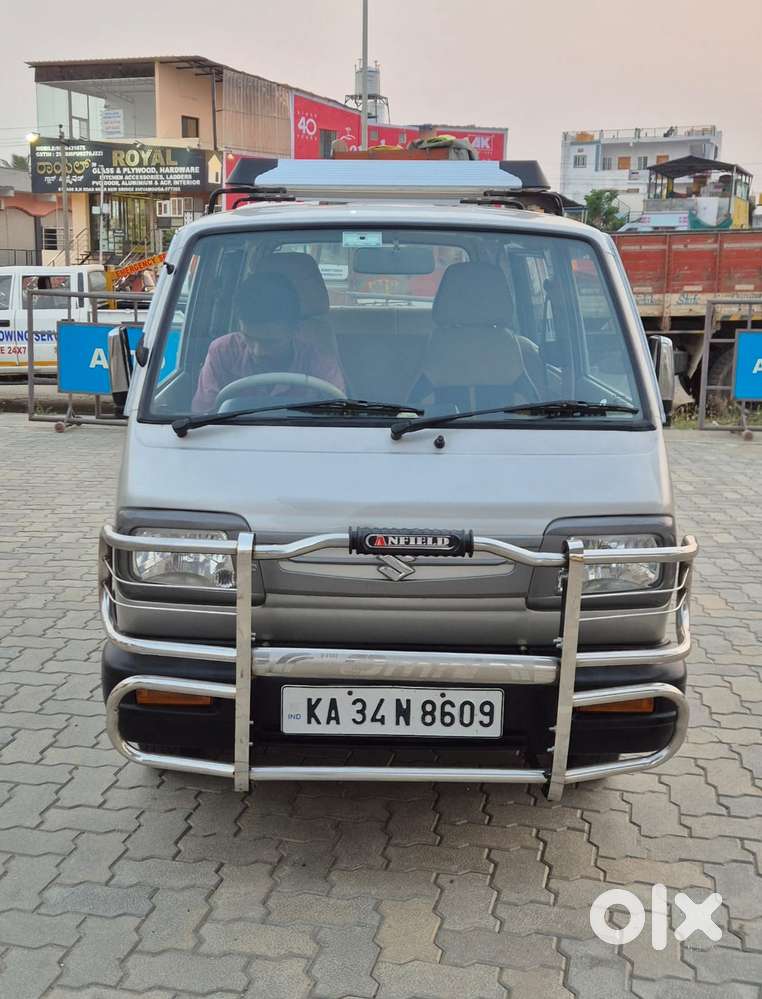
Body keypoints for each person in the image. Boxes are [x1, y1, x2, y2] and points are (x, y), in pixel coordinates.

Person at [192, 271, 345, 412]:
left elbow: (338, 415)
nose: (257, 351)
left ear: (295, 330)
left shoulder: (318, 359)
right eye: (248, 338)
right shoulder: (222, 351)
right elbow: (203, 415)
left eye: (270, 342)